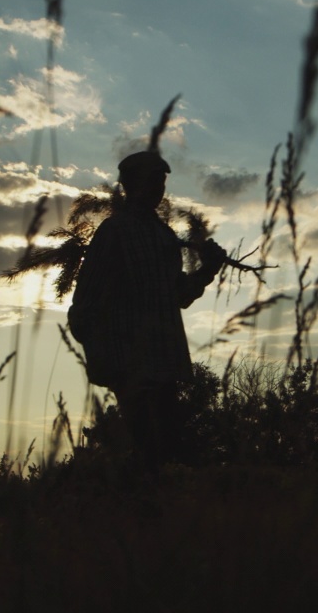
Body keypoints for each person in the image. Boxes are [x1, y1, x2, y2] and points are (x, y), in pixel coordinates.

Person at [68, 150, 227, 469]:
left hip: (165, 365)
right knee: (149, 454)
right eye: (152, 179)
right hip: (131, 366)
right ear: (131, 184)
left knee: (165, 454)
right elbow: (85, 303)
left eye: (162, 181)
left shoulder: (162, 236)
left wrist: (207, 270)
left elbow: (177, 295)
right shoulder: (115, 232)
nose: (158, 188)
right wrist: (105, 360)